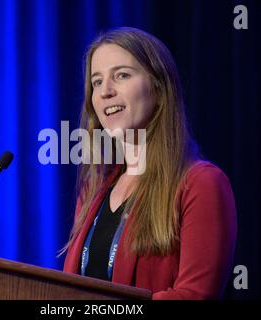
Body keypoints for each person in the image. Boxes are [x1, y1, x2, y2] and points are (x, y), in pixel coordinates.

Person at [60, 27, 237, 300]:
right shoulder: (93, 191)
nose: (105, 91)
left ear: (158, 88)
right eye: (96, 82)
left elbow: (193, 295)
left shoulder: (202, 185)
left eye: (121, 75)